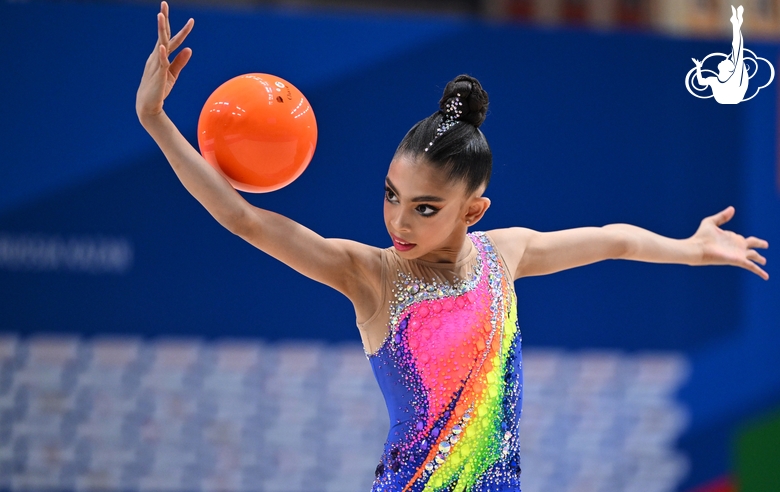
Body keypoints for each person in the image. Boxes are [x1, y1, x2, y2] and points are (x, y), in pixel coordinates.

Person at [136, 3, 769, 490]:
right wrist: (156, 121)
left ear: (474, 210)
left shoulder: (506, 254)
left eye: (425, 207)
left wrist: (691, 247)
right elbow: (246, 219)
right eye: (391, 195)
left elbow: (614, 241)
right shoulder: (370, 276)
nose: (398, 221)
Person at [692, 5, 748, 104]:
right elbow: (701, 82)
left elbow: (737, 48)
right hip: (725, 101)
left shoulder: (734, 78)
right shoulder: (714, 80)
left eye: (727, 61)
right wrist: (698, 67)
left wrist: (736, 26)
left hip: (733, 99)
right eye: (728, 60)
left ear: (729, 69)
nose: (725, 59)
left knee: (737, 51)